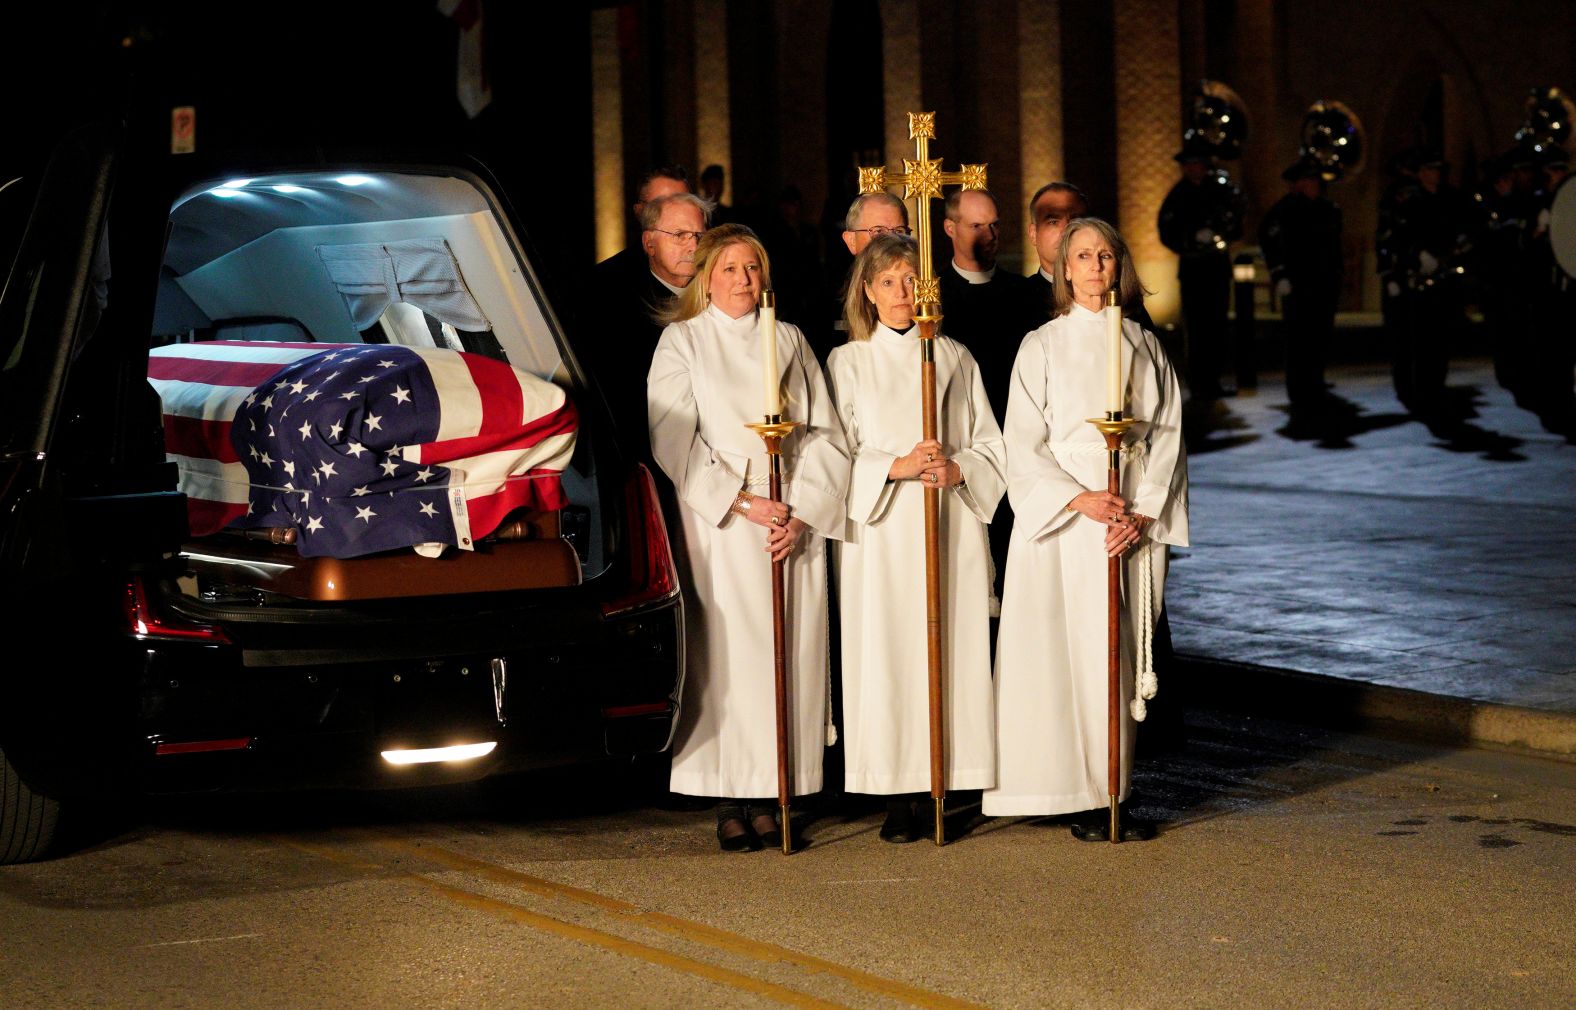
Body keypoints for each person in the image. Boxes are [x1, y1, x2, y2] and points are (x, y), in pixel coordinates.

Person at [982, 218, 1188, 841]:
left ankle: (1112, 788)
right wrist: (1080, 499)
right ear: (1064, 270)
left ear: (1117, 267)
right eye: (1083, 256)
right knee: (1060, 658)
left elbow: (1169, 434)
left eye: (1105, 255)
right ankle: (1066, 788)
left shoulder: (1143, 346)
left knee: (1114, 656)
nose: (1096, 266)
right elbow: (1023, 442)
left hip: (1124, 521)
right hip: (1065, 523)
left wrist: (1142, 507)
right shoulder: (1039, 346)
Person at [647, 224, 851, 852]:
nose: (743, 279)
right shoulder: (682, 341)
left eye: (753, 268)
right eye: (730, 268)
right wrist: (742, 501)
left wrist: (802, 509)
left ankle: (777, 791)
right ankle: (731, 797)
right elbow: (672, 436)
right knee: (733, 655)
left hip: (787, 517)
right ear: (707, 276)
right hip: (725, 525)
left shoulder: (786, 340)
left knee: (788, 648)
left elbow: (825, 433)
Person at [826, 233, 1006, 843]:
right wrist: (895, 466)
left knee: (948, 645)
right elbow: (832, 453)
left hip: (947, 518)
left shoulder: (954, 356)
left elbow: (989, 442)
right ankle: (898, 793)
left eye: (910, 280)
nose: (902, 293)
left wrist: (961, 470)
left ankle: (951, 779)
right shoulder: (848, 363)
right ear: (868, 295)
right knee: (890, 653)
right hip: (883, 528)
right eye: (887, 283)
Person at [595, 192, 710, 461]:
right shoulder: (617, 307)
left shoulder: (721, 296)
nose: (693, 246)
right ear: (649, 243)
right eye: (679, 234)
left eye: (699, 236)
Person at [1259, 158, 1344, 432]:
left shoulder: (1328, 209)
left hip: (1323, 284)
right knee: (1299, 340)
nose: (1314, 186)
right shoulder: (1285, 210)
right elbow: (1270, 240)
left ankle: (1316, 386)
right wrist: (1279, 273)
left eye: (1316, 181)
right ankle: (1299, 393)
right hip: (1297, 284)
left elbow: (1333, 247)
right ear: (1296, 185)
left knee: (1320, 337)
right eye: (1308, 181)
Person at [1158, 140, 1246, 400]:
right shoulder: (1177, 196)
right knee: (1196, 329)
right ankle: (1198, 383)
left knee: (1217, 327)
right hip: (1193, 268)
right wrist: (1192, 237)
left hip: (1216, 267)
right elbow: (1166, 231)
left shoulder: (1220, 192)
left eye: (1198, 165)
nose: (1194, 170)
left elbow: (1235, 222)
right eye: (1189, 166)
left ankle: (1214, 381)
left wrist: (1221, 233)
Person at [937, 188, 1027, 423]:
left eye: (994, 225)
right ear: (950, 228)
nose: (990, 235)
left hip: (1014, 419)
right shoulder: (932, 296)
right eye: (977, 226)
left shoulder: (1023, 292)